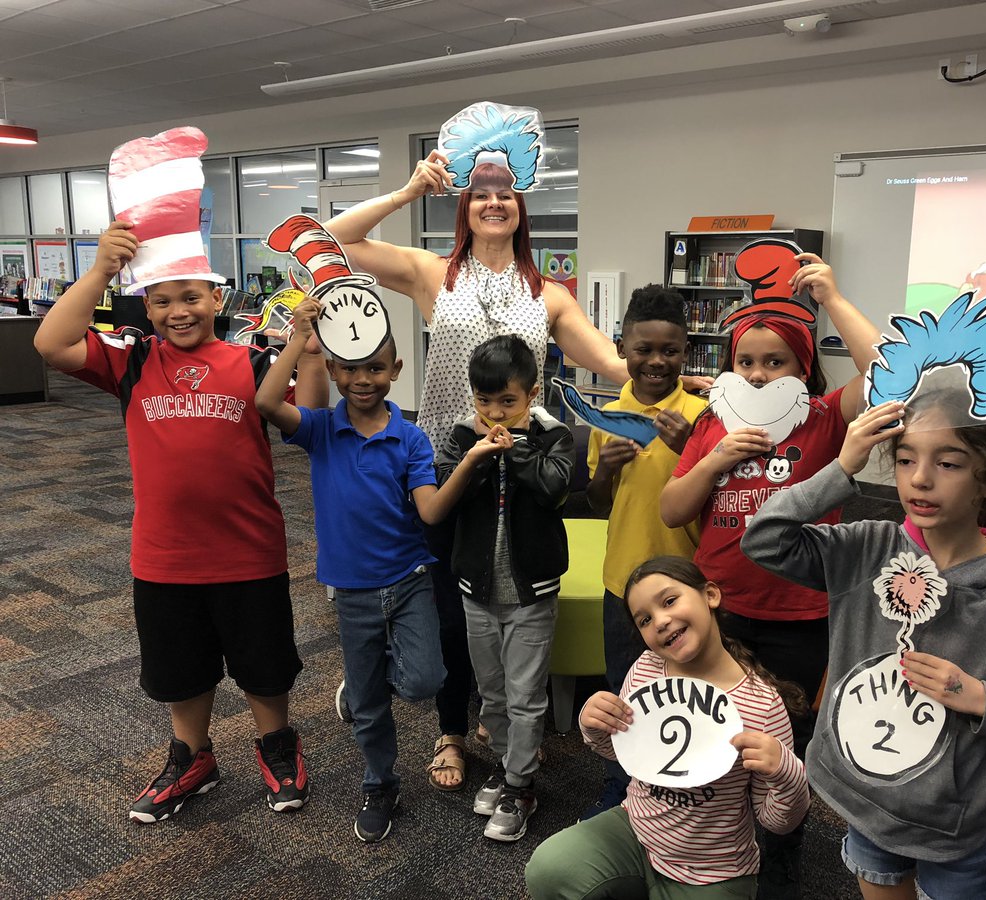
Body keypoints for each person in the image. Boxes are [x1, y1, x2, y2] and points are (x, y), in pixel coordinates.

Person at [325, 151, 653, 790]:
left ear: (522, 206)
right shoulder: (431, 274)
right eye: (479, 193)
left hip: (521, 468)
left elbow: (616, 366)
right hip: (448, 463)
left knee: (511, 592)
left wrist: (681, 382)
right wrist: (407, 190)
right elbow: (335, 242)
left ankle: (496, 710)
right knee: (451, 607)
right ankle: (452, 728)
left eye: (505, 192)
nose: (493, 202)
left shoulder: (548, 294)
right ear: (464, 208)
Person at [740, 391, 986, 900]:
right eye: (904, 461)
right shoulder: (865, 549)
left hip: (952, 829)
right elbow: (764, 538)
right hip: (863, 800)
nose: (920, 479)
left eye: (947, 463)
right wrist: (841, 466)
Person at [33, 221, 328, 823]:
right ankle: (193, 758)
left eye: (191, 297)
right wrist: (99, 274)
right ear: (146, 307)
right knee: (178, 668)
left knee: (264, 664)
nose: (178, 312)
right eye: (162, 301)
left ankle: (278, 747)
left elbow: (313, 415)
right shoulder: (133, 360)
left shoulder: (252, 361)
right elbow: (51, 344)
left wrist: (312, 352)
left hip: (250, 551)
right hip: (165, 556)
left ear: (217, 299)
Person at [254, 298, 510, 842]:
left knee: (425, 681)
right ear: (334, 366)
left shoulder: (411, 438)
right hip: (351, 590)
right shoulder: (322, 429)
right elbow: (266, 400)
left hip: (410, 579)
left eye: (375, 367)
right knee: (371, 709)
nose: (362, 379)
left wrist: (468, 461)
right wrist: (302, 342)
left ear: (396, 371)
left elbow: (431, 511)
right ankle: (380, 781)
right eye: (349, 367)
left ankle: (369, 684)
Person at [660, 258, 876, 891]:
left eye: (775, 362)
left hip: (799, 613)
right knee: (709, 727)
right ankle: (708, 840)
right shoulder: (713, 422)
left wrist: (833, 297)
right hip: (720, 608)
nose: (757, 374)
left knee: (782, 744)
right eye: (746, 361)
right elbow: (674, 511)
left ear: (803, 369)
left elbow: (889, 374)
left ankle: (781, 848)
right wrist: (715, 459)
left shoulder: (828, 417)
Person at [525, 556, 810, 899]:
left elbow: (777, 821)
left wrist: (788, 772)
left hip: (713, 870)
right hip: (636, 831)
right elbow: (625, 753)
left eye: (670, 600)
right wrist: (596, 724)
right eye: (644, 619)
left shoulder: (762, 705)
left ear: (710, 595)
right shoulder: (646, 668)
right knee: (547, 868)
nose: (660, 621)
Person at [435, 334, 574, 841]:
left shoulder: (553, 435)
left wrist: (512, 450)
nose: (495, 413)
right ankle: (503, 765)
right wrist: (477, 455)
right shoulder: (460, 436)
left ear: (531, 394)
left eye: (508, 402)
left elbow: (556, 488)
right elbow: (446, 488)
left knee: (524, 695)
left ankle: (521, 783)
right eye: (484, 401)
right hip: (476, 589)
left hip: (531, 593)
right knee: (490, 693)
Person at [581, 284, 710, 820]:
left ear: (686, 351)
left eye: (670, 351)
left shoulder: (704, 416)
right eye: (643, 350)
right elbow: (597, 502)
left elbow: (720, 500)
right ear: (623, 348)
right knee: (623, 693)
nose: (656, 361)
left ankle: (691, 788)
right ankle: (624, 790)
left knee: (692, 689)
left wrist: (689, 448)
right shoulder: (606, 415)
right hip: (624, 583)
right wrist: (606, 468)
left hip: (687, 581)